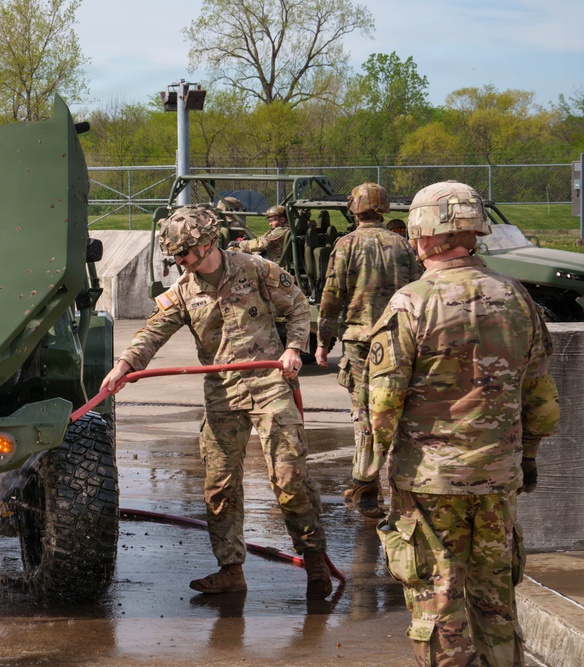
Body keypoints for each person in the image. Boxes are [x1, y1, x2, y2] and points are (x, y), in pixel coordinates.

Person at [348, 181, 560, 665]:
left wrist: (365, 476)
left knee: (440, 605)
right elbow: (542, 401)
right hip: (498, 478)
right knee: (496, 601)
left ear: (423, 234)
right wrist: (526, 459)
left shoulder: (411, 303)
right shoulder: (517, 299)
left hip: (429, 485)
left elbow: (382, 406)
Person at [100, 205, 332, 599]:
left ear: (206, 244)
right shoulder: (184, 290)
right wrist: (124, 365)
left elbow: (296, 308)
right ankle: (230, 570)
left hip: (270, 385)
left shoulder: (255, 268)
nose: (179, 262)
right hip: (223, 394)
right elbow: (152, 333)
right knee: (220, 486)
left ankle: (314, 562)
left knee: (289, 478)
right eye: (174, 255)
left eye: (183, 254)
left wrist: (295, 349)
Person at [315, 182, 423, 518]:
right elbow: (420, 289)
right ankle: (401, 489)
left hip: (361, 341)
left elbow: (332, 295)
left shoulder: (346, 245)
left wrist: (322, 341)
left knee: (364, 412)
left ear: (354, 208)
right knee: (398, 411)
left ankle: (366, 489)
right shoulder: (403, 245)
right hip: (399, 338)